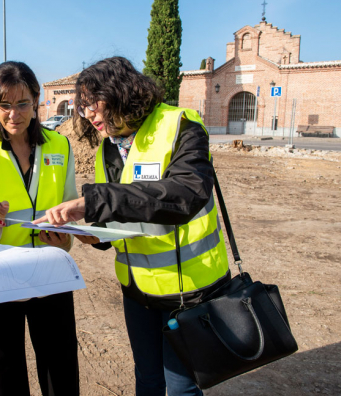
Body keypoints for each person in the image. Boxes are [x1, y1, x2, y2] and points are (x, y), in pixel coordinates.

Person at [34, 57, 231, 396]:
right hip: (138, 290)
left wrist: (93, 203)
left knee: (181, 386)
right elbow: (114, 225)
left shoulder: (181, 125)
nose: (89, 115)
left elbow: (185, 194)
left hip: (188, 288)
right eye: (83, 109)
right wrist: (86, 234)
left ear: (119, 92)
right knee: (149, 379)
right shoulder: (107, 151)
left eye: (93, 103)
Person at [0, 61, 79, 396]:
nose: (14, 114)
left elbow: (68, 204)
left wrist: (64, 239)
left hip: (51, 273)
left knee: (60, 370)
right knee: (2, 374)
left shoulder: (59, 145)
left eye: (23, 103)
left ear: (36, 100)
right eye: (4, 105)